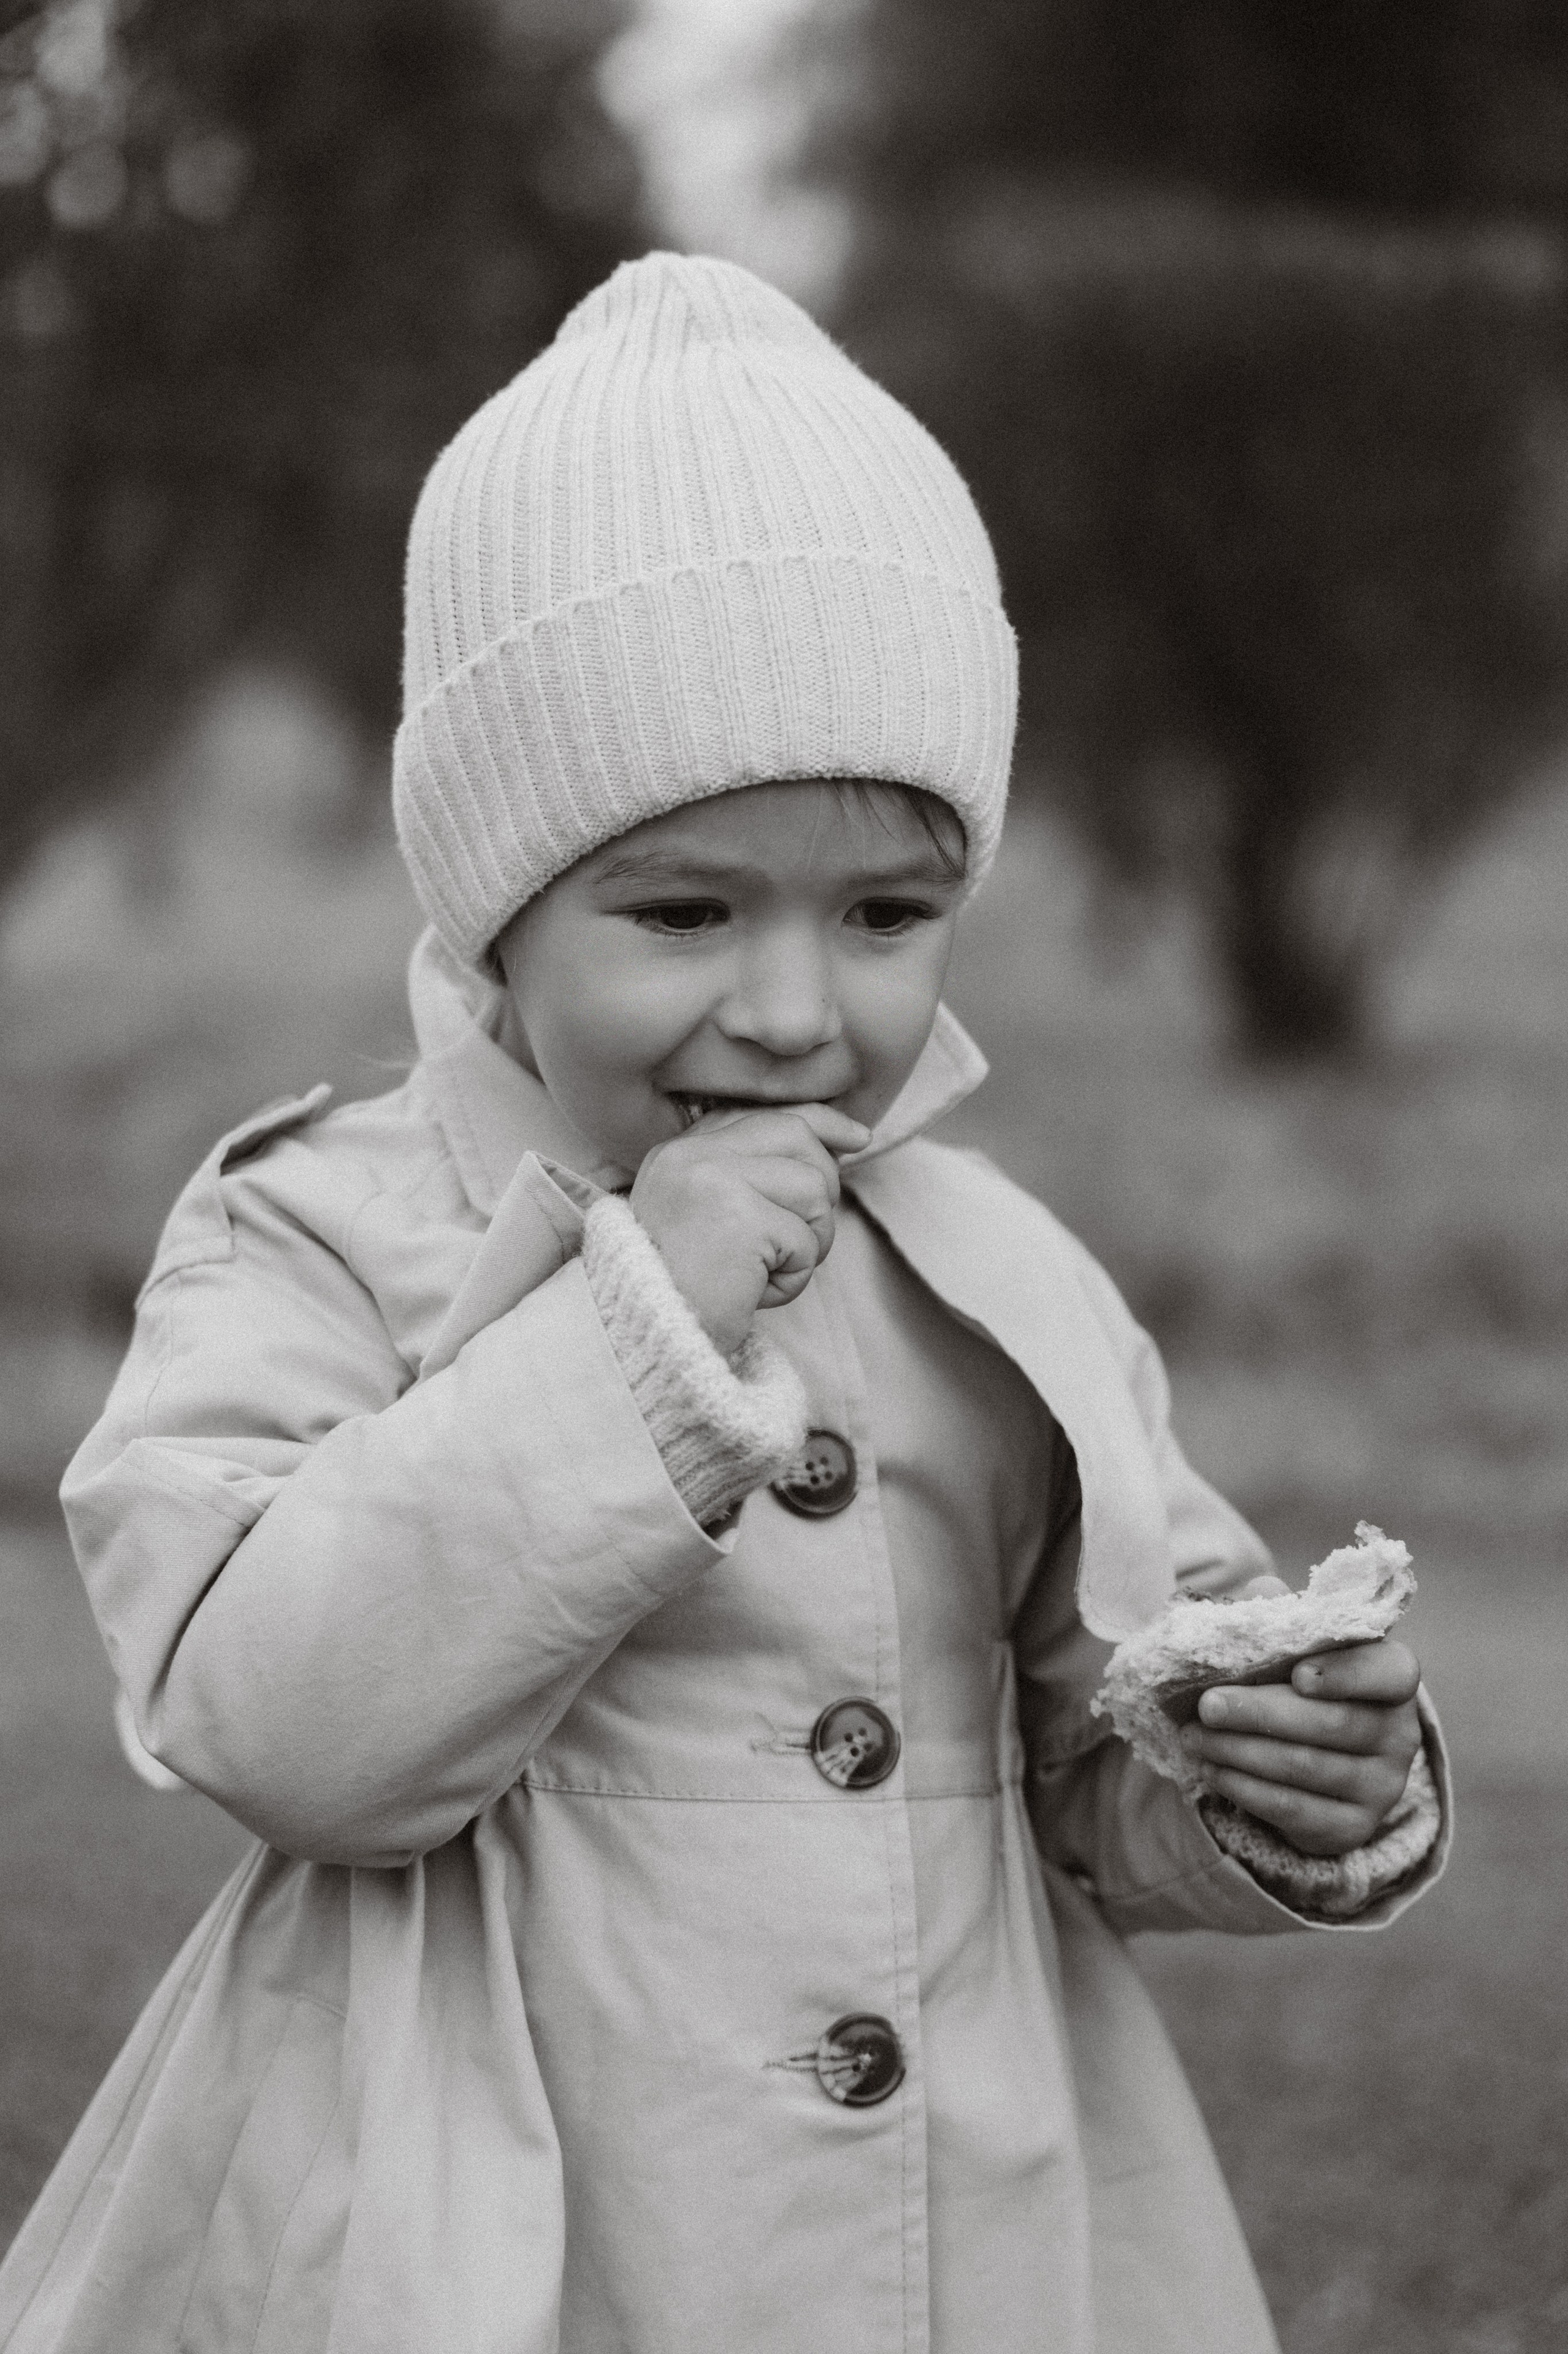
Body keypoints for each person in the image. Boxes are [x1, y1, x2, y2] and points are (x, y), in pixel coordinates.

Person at [0, 253, 1447, 2354]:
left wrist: (1273, 1780)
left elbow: (1092, 1765)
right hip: (475, 2242)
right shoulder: (313, 1233)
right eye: (681, 910)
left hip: (979, 2234)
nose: (790, 1014)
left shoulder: (995, 1275)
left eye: (885, 915)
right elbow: (282, 1726)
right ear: (495, 905)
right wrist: (634, 1338)